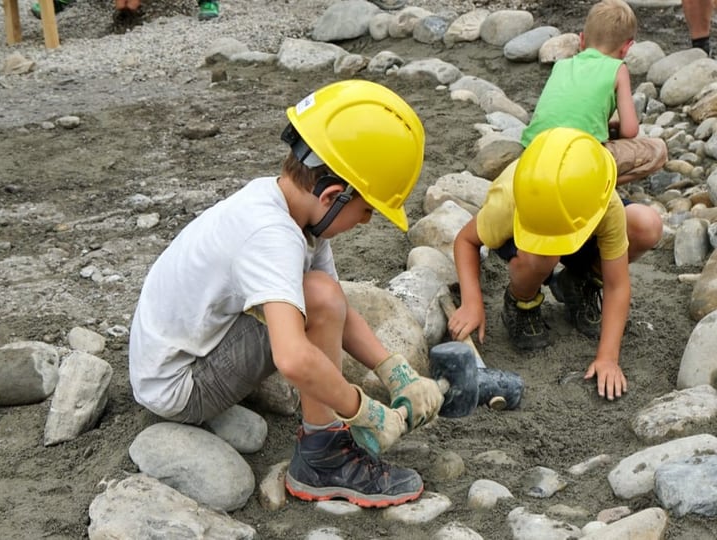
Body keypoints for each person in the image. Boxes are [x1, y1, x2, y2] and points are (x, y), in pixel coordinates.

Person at [128, 79, 444, 507]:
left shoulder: (292, 209)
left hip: (185, 352)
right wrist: (362, 410)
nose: (368, 222)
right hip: (180, 386)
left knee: (321, 291)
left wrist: (395, 370)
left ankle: (324, 439)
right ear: (334, 195)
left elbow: (337, 305)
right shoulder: (271, 235)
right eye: (367, 209)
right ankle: (323, 454)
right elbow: (295, 354)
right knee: (315, 296)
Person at [449, 127, 663, 402]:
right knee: (543, 257)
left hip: (581, 227)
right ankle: (521, 302)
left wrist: (608, 358)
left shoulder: (601, 202)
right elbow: (466, 241)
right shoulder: (513, 197)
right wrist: (471, 302)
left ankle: (578, 283)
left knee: (646, 226)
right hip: (532, 247)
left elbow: (617, 284)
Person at [520, 0, 667, 185]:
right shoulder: (618, 69)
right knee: (658, 151)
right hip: (579, 162)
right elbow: (630, 131)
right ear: (626, 48)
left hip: (534, 153)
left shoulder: (561, 65)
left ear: (581, 40)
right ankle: (596, 186)